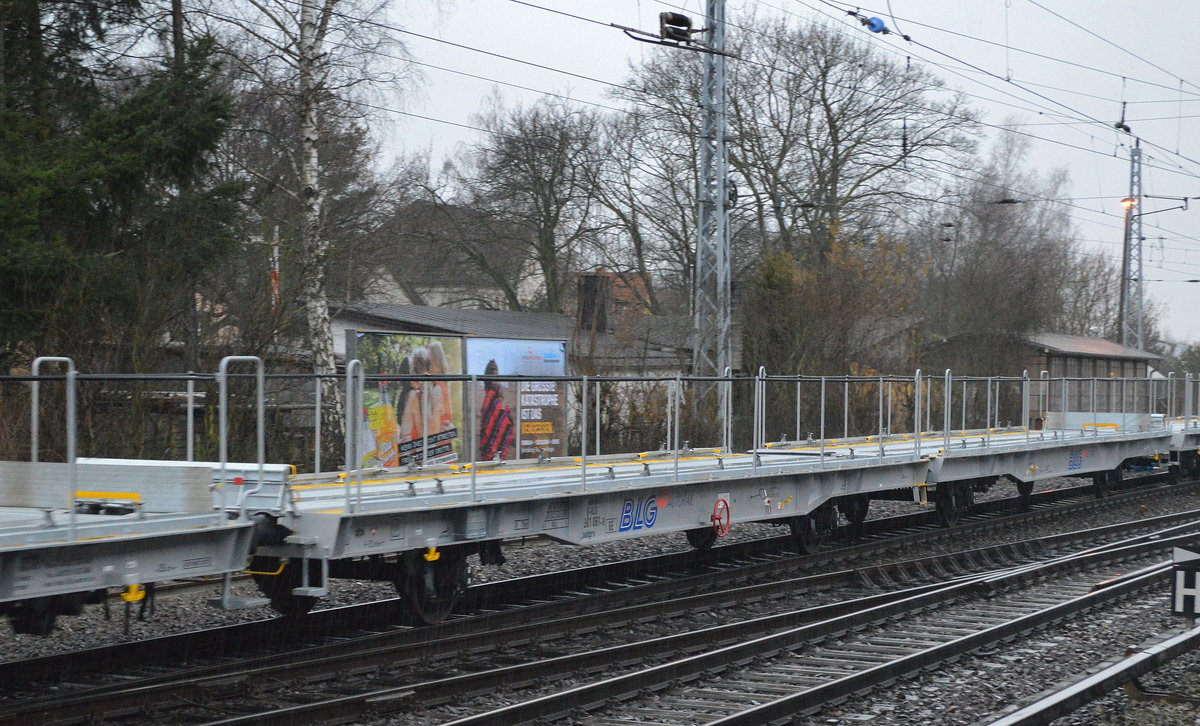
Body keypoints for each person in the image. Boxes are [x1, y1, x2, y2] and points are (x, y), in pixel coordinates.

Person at [478, 359, 514, 461]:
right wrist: (505, 414)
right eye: (492, 376)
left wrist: (505, 414)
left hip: (497, 440)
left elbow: (499, 421)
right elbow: (488, 422)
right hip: (490, 442)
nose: (495, 380)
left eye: (496, 376)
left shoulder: (496, 395)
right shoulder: (489, 397)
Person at [426, 340, 455, 433]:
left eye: (430, 354)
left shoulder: (439, 380)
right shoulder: (442, 375)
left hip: (441, 419)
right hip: (442, 419)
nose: (428, 357)